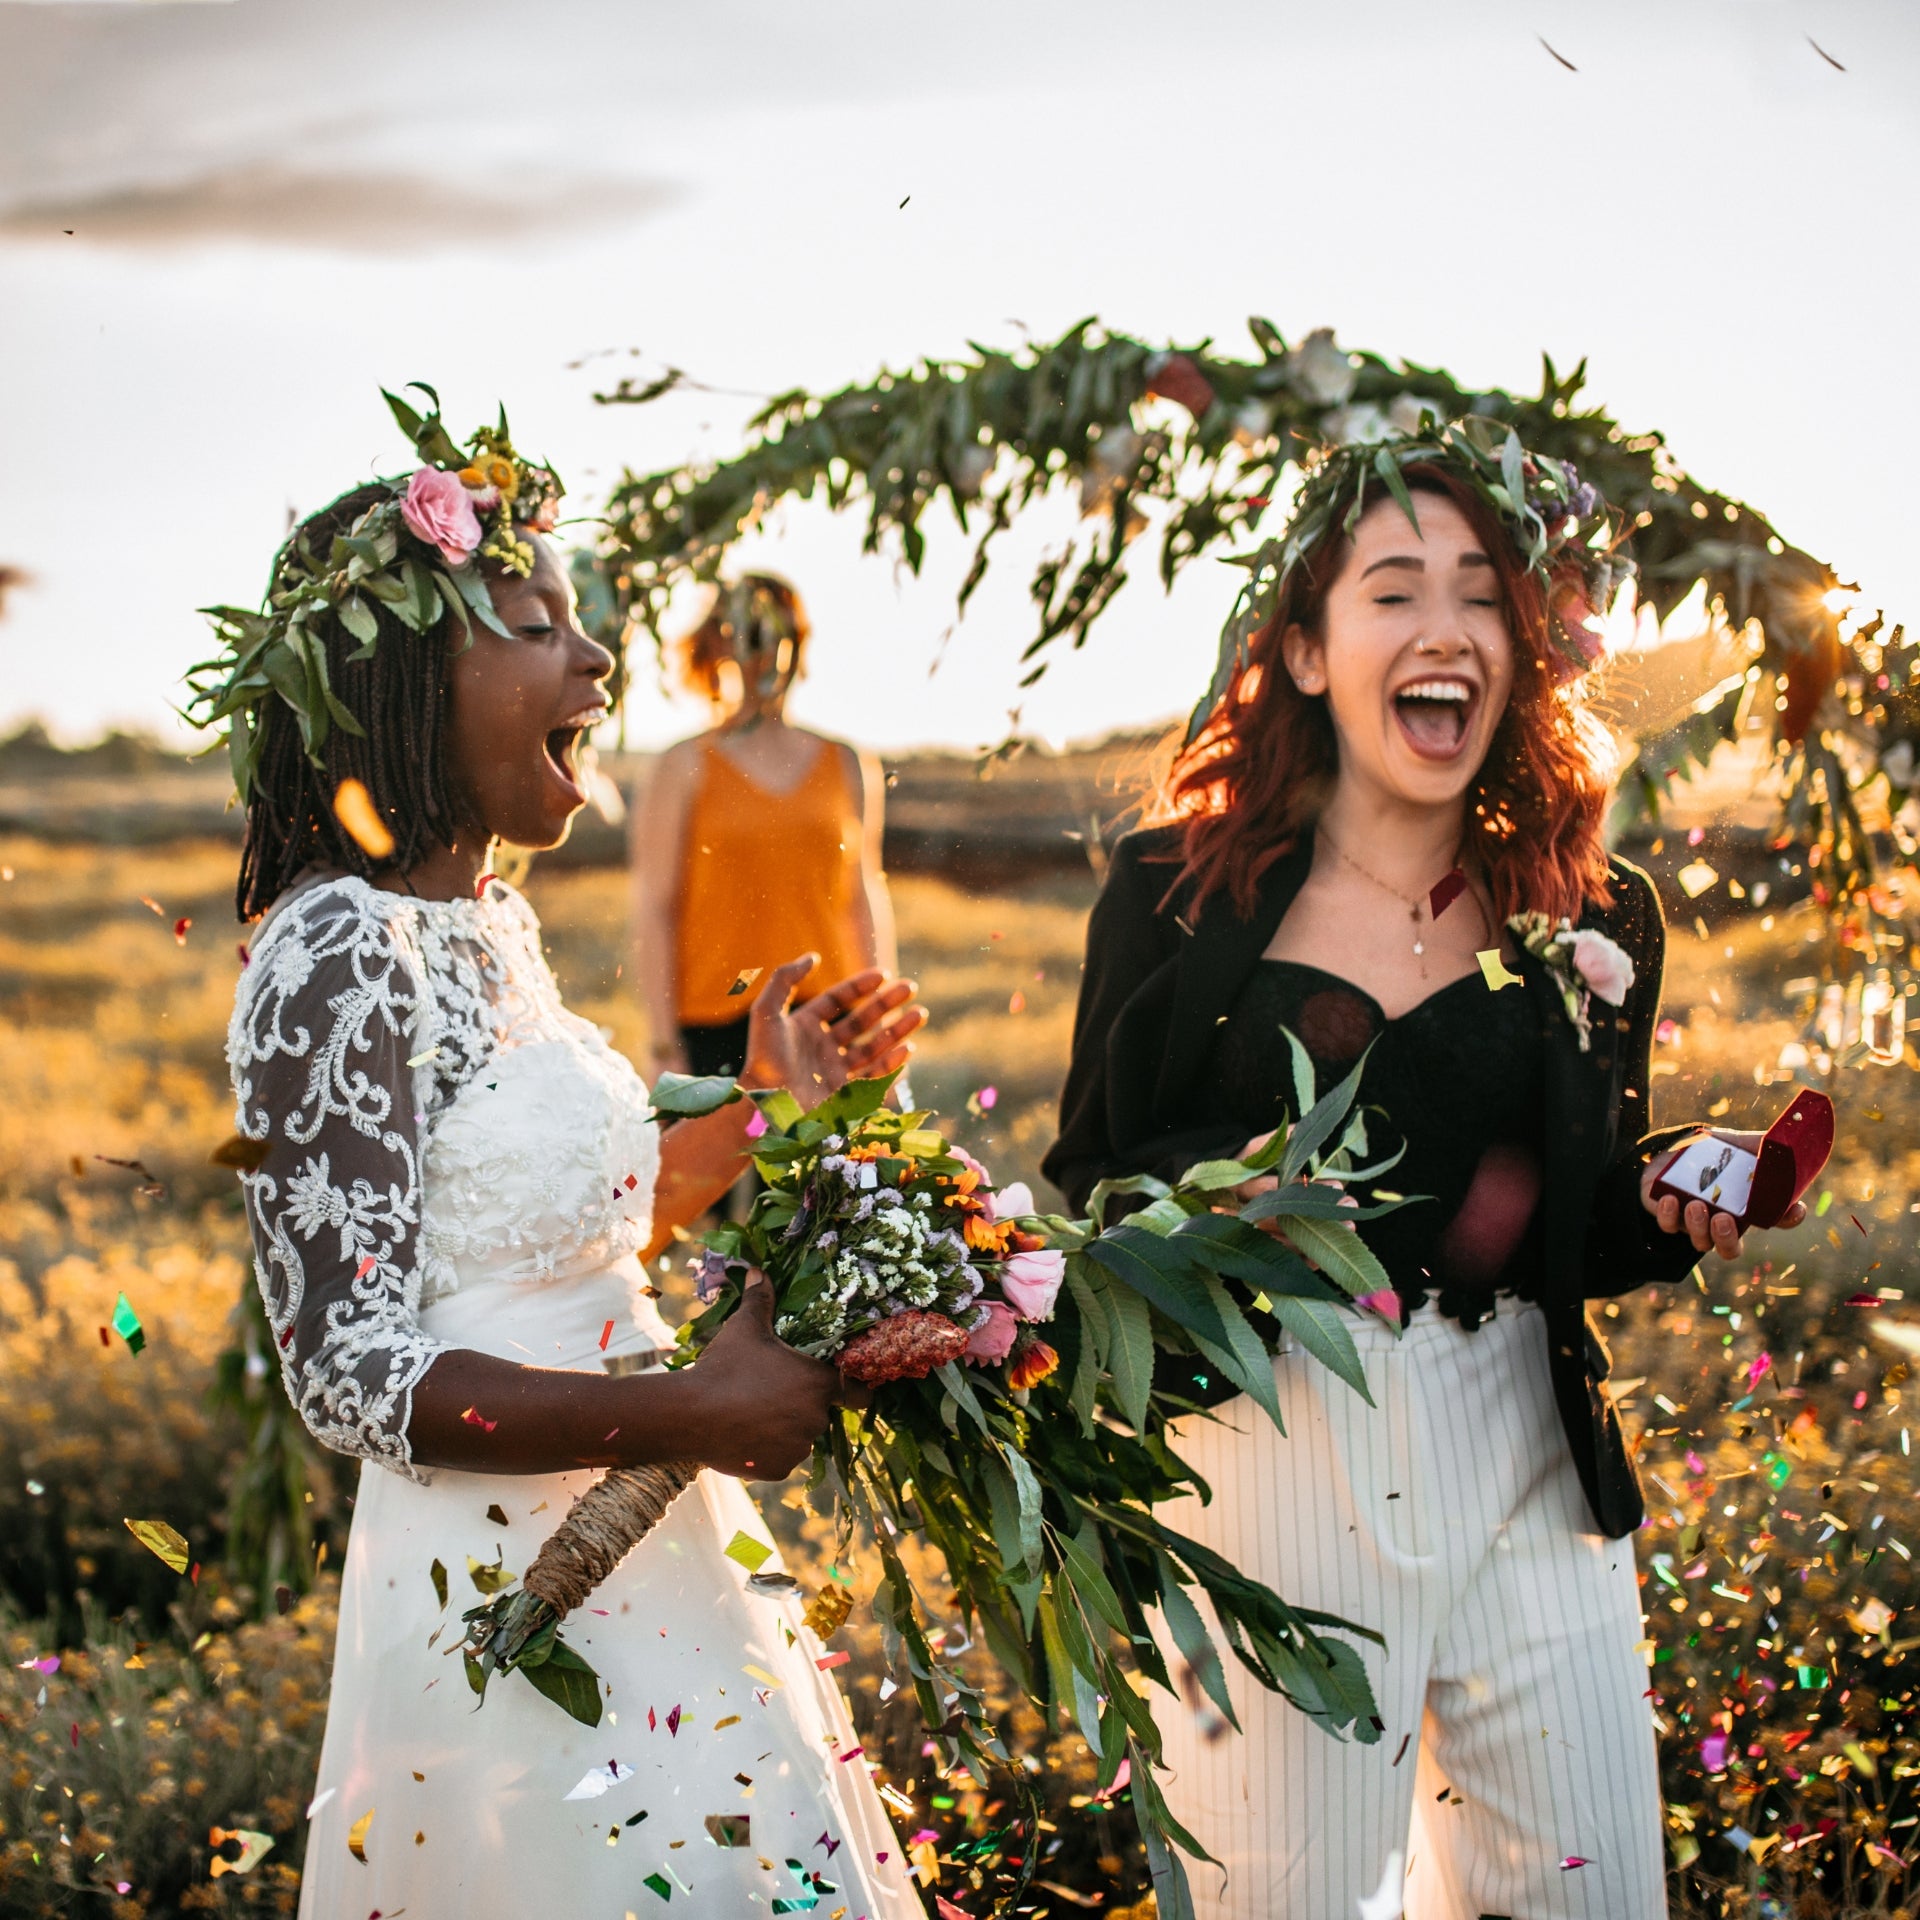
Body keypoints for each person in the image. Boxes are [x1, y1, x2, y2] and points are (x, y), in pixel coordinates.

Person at [1042, 428, 1809, 1920]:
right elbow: (1091, 1191)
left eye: (1482, 594)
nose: (1444, 627)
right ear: (1312, 652)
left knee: (1590, 1893)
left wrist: (1663, 1199)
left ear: (1523, 653)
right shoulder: (1172, 894)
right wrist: (1232, 1207)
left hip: (1524, 1440)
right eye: (1394, 590)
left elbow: (1573, 1217)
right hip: (1266, 1454)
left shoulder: (1602, 915)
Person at [196, 394, 929, 1916]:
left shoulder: (490, 925)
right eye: (537, 623)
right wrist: (692, 1405)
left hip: (648, 1538)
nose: (596, 660)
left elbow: (577, 1229)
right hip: (498, 1577)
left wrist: (776, 1112)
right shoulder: (331, 951)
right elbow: (350, 1373)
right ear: (404, 676)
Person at [631, 574, 896, 1081]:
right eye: (753, 633)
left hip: (829, 1023)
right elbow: (655, 908)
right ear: (722, 643)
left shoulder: (846, 762)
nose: (770, 651)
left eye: (784, 634)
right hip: (714, 1025)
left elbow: (861, 899)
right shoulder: (682, 765)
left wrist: (879, 1021)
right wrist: (664, 1047)